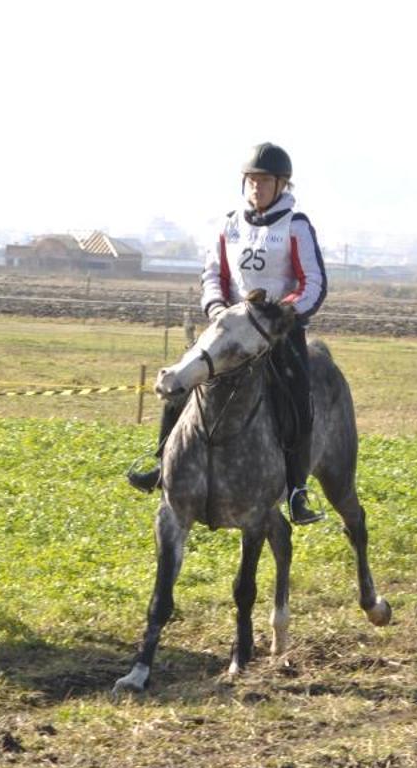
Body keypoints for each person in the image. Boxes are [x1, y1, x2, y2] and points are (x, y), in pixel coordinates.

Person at [129, 142, 329, 524]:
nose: (257, 188)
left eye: (265, 181)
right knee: (182, 380)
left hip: (277, 335)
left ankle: (297, 490)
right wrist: (218, 311)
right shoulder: (229, 224)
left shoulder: (296, 225)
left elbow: (314, 283)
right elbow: (213, 275)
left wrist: (282, 316)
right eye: (251, 181)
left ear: (281, 185)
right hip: (228, 332)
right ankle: (160, 466)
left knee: (298, 402)